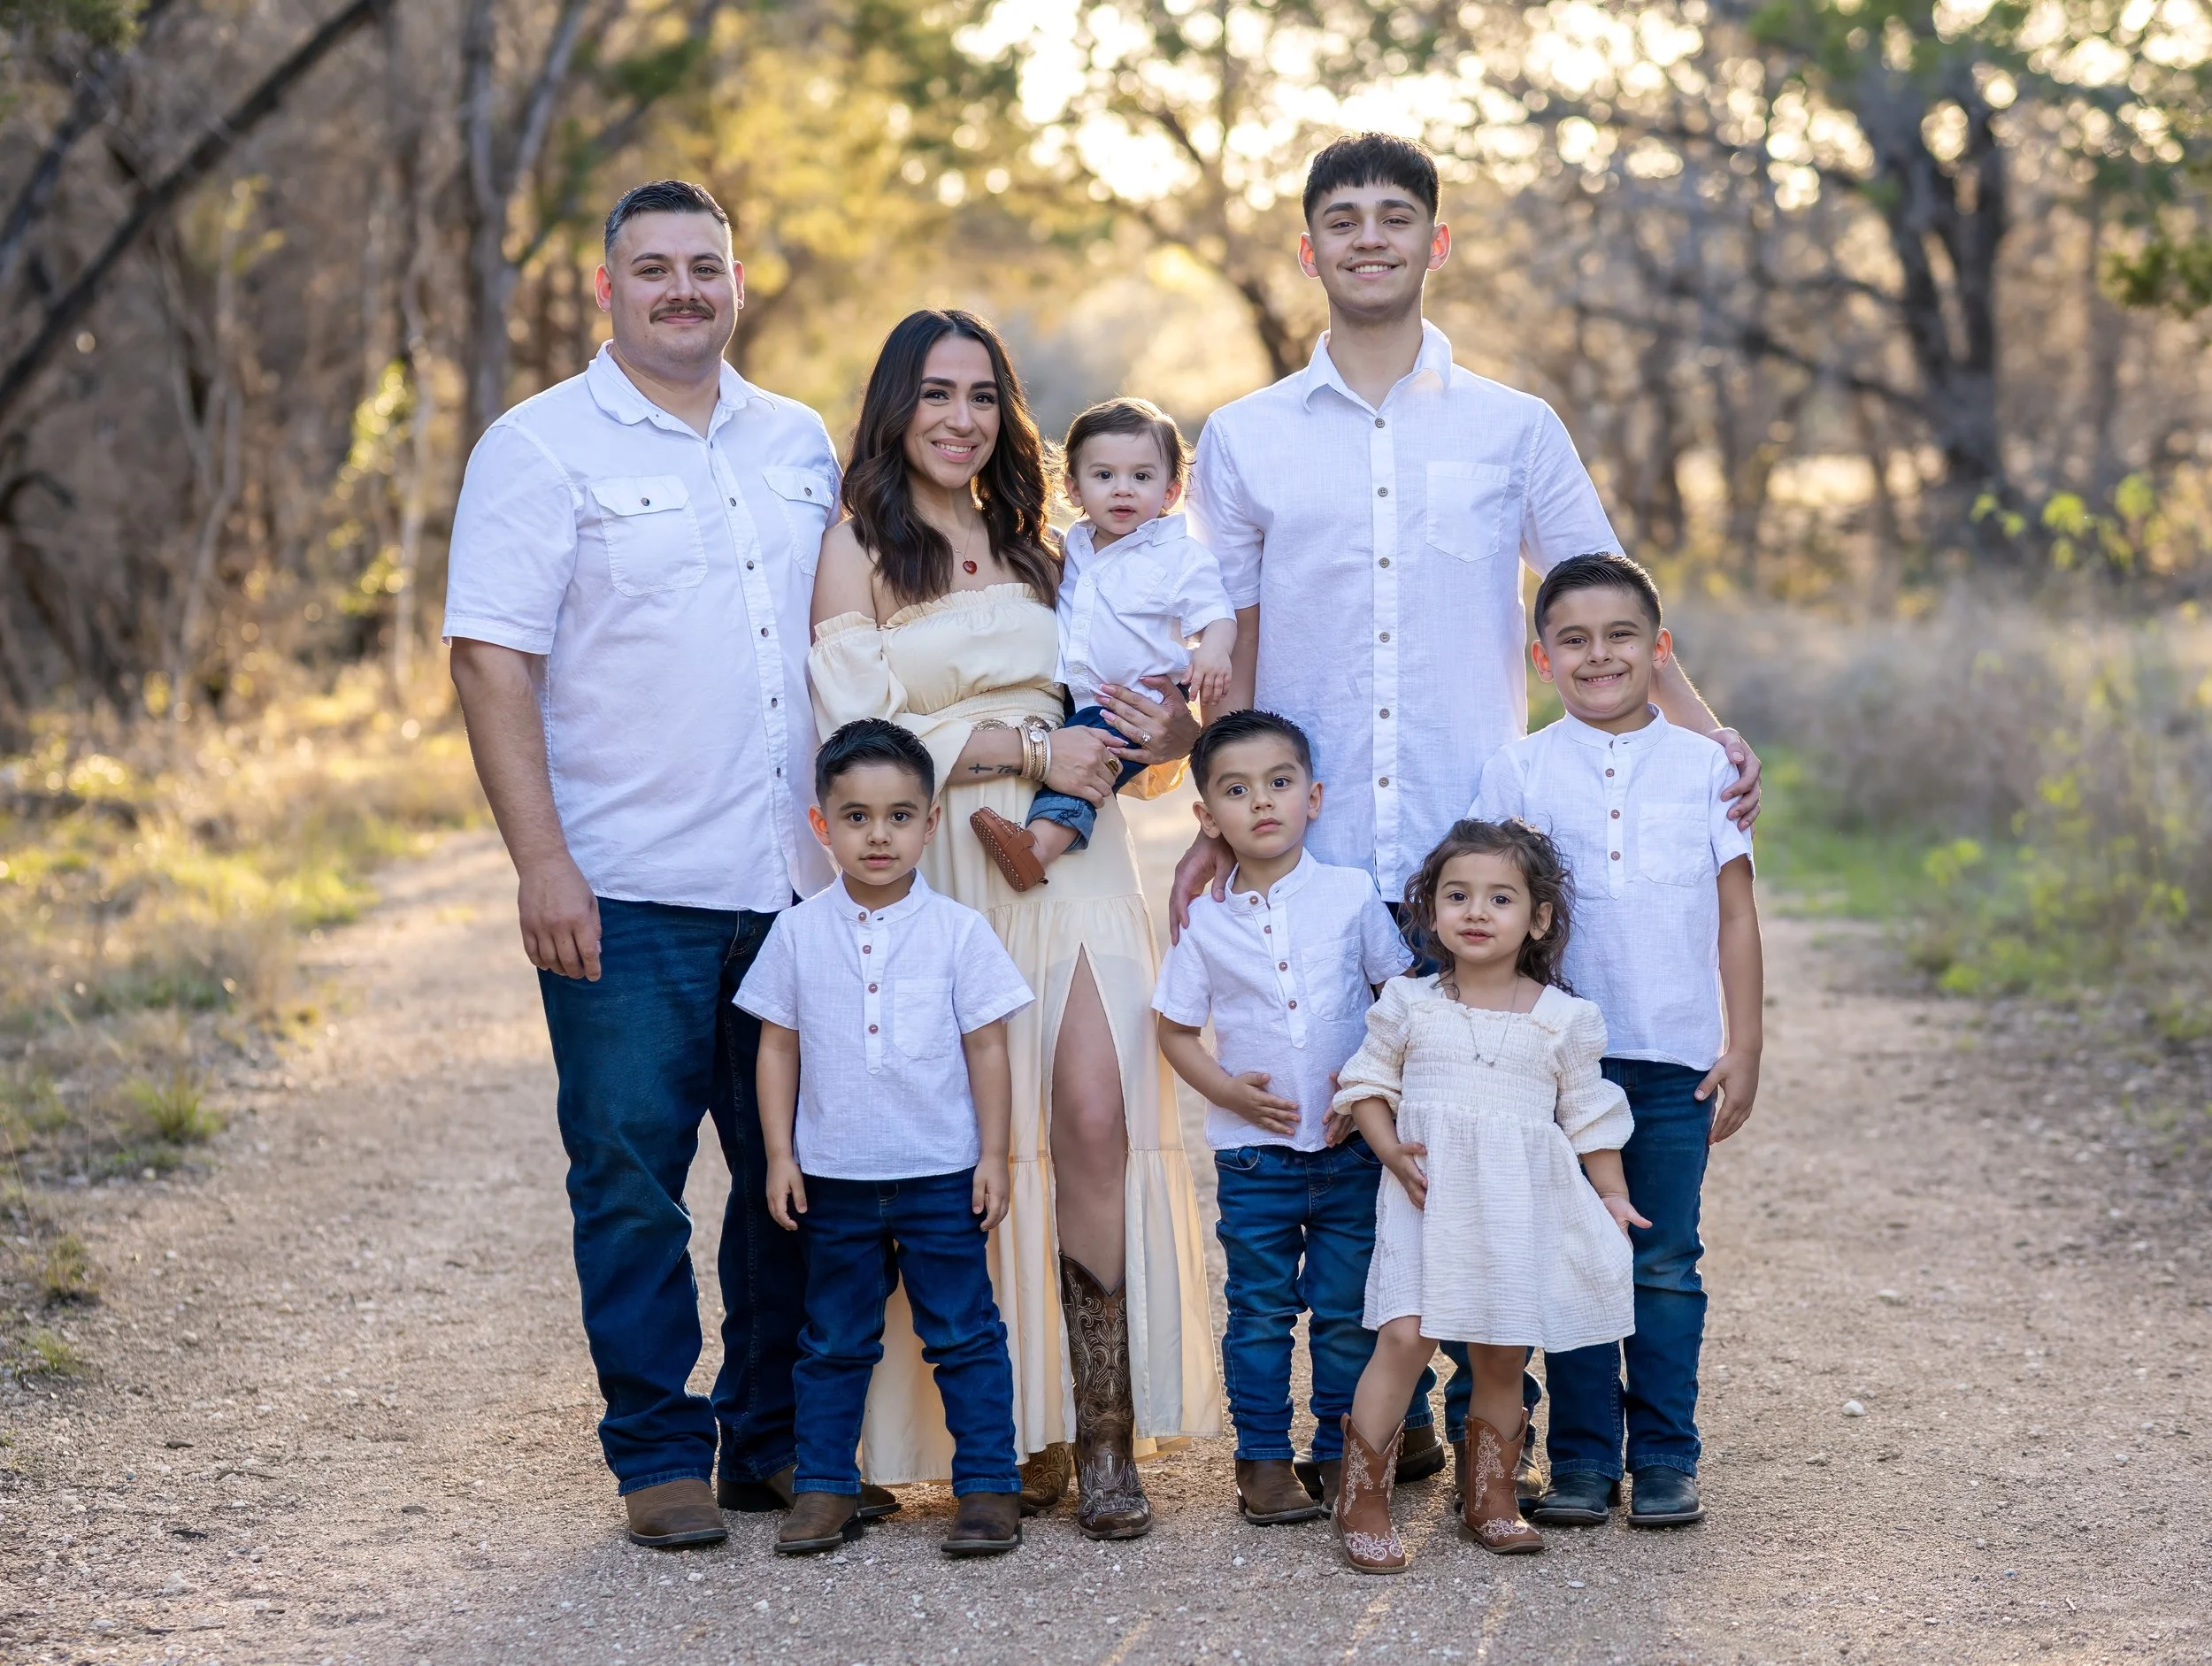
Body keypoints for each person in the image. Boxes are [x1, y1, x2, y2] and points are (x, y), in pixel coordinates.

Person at [1178, 128, 1763, 1494]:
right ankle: (1386, 1400)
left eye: (1396, 216)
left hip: (1480, 864)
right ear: (1310, 247)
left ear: (1436, 243)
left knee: (1483, 1117)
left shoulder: (1514, 425)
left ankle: (1485, 1405)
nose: (1369, 237)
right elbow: (1241, 645)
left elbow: (1602, 599)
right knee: (1354, 1127)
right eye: (1342, 218)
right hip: (1312, 856)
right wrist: (1220, 833)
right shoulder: (1247, 437)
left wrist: (1710, 737)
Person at [444, 179, 893, 1547]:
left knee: (791, 1172)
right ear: (607, 288)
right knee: (630, 1173)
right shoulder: (540, 447)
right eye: (654, 268)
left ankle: (769, 1442)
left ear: (738, 281)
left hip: (793, 882)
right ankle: (657, 1452)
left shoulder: (799, 440)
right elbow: (489, 658)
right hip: (627, 886)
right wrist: (543, 863)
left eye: (705, 266)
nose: (683, 289)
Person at [807, 309, 1223, 1540]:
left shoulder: (1051, 545)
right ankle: (1000, 1430)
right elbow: (851, 736)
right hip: (932, 861)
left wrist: (1164, 733)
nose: (960, 417)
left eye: (983, 395)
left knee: (1093, 1112)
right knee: (953, 1142)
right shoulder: (857, 550)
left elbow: (1122, 722)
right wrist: (1021, 742)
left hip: (1072, 865)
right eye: (935, 393)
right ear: (895, 407)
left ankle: (1099, 1433)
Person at [1471, 552, 1763, 1530]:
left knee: (1665, 1258)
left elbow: (1733, 914)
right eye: (1574, 639)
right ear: (1542, 658)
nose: (1599, 654)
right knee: (1575, 1253)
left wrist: (1746, 1040)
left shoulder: (1706, 764)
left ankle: (1668, 1457)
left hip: (1674, 1051)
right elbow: (1492, 909)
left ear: (1659, 648)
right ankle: (1585, 1460)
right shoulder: (1519, 766)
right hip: (1558, 1064)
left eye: (1621, 635)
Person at [738, 721, 1033, 1557]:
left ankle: (987, 1486)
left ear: (931, 822)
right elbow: (778, 1046)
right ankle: (826, 1487)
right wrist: (782, 1156)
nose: (879, 834)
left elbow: (988, 1047)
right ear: (821, 824)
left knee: (965, 1333)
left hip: (942, 1174)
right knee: (831, 1339)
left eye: (900, 815)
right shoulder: (796, 933)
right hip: (834, 1177)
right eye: (858, 816)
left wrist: (994, 1155)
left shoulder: (959, 932)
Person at [1328, 820, 1643, 1572]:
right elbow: (1365, 1085)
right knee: (1405, 1336)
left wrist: (1612, 1195)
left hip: (1514, 1207)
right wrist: (1389, 1150)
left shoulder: (1562, 1020)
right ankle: (1362, 1497)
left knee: (1502, 1349)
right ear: (1429, 911)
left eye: (1499, 898)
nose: (1476, 910)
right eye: (1457, 895)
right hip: (1423, 1195)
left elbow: (1591, 1117)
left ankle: (1492, 1496)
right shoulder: (1411, 1003)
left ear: (1536, 918)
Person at [1150, 710, 1411, 1526]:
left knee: (1343, 1310)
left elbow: (1398, 999)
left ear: (1314, 796)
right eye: (1236, 789)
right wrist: (1226, 1091)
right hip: (1255, 1161)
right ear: (1207, 816)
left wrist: (1370, 1085)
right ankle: (1261, 1460)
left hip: (1346, 1152)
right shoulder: (1208, 924)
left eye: (1279, 782)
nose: (1261, 802)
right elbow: (1172, 1029)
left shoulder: (1350, 895)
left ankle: (1338, 1452)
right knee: (1260, 1312)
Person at [972, 398, 1235, 892]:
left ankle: (1037, 849)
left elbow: (1216, 612)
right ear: (1073, 487)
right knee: (1069, 755)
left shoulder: (1179, 557)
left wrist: (1214, 651)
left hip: (1133, 703)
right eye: (1103, 475)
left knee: (1086, 771)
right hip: (1076, 695)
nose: (1122, 489)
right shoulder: (1069, 545)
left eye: (1141, 476)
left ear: (1170, 491)